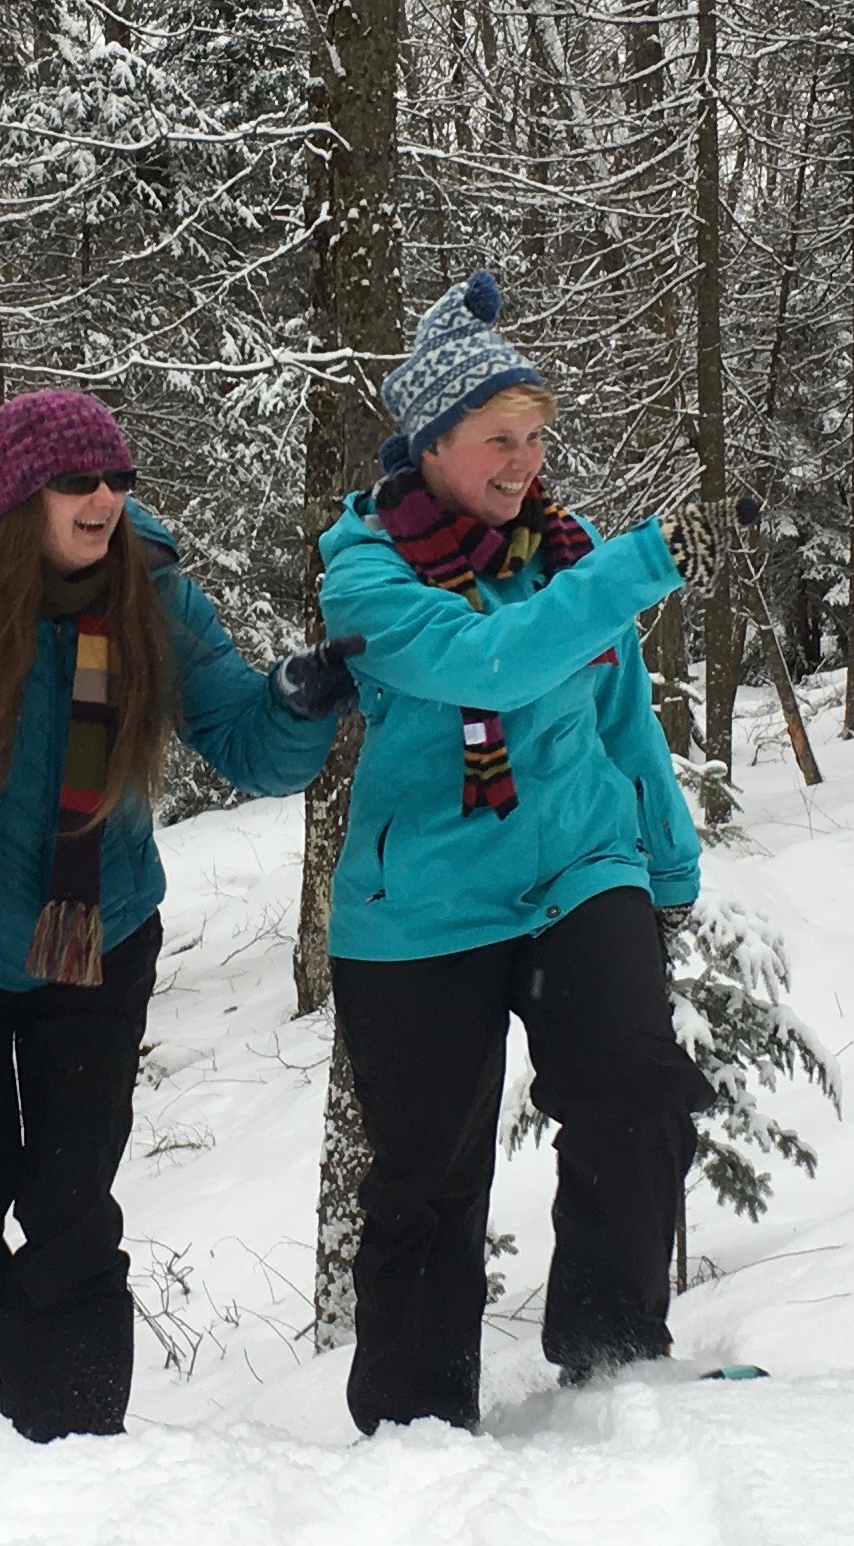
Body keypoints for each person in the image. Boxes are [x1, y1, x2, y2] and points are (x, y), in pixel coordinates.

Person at [0, 387, 354, 1441]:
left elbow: (246, 743)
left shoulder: (155, 605)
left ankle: (68, 1459)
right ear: (20, 499)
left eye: (116, 478)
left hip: (96, 944)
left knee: (69, 1210)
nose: (104, 498)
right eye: (78, 480)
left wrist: (297, 701)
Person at [319, 270, 734, 1435]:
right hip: (421, 907)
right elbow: (486, 664)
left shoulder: (568, 551)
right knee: (427, 1171)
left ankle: (610, 1352)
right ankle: (412, 1417)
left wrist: (663, 868)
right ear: (430, 443)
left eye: (535, 435)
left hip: (573, 870)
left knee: (631, 1091)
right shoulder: (365, 570)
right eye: (496, 437)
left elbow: (621, 718)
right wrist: (643, 564)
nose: (521, 459)